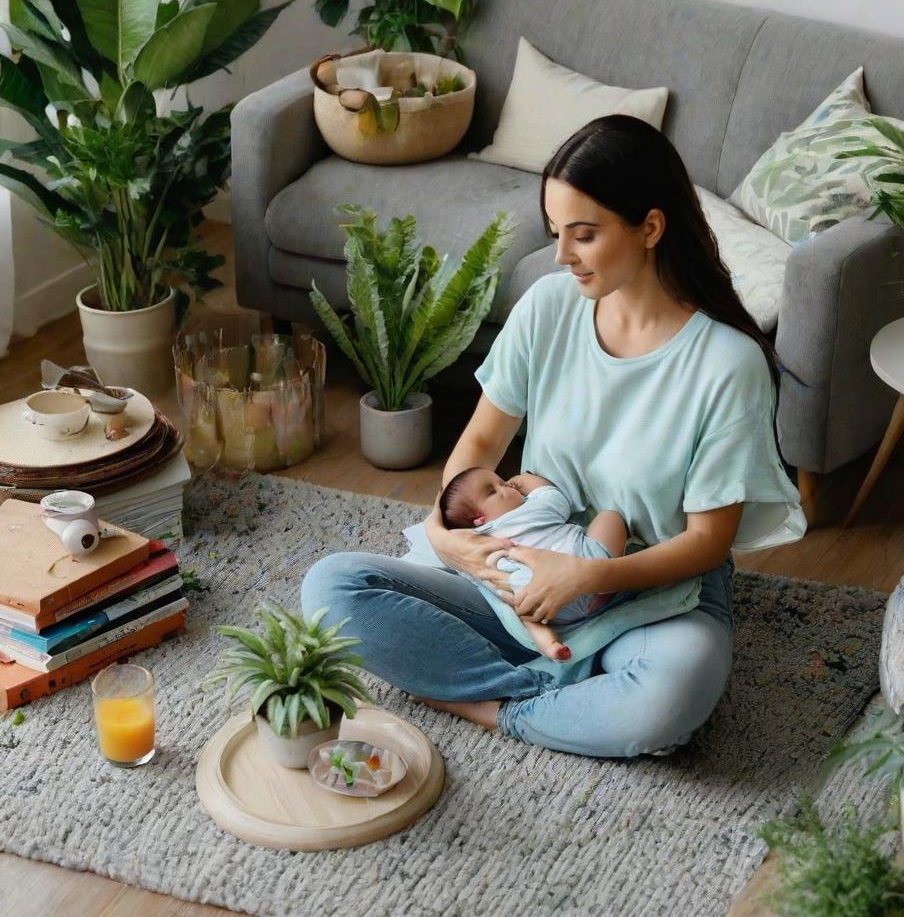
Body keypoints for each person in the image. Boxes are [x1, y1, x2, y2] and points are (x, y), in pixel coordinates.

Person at [302, 114, 805, 758]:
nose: (563, 255)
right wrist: (446, 538)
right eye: (556, 233)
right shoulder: (548, 305)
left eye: (585, 235)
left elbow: (708, 543)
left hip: (647, 592)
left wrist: (582, 577)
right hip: (515, 572)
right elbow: (480, 446)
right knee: (331, 589)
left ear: (650, 227)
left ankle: (487, 704)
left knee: (669, 697)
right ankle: (562, 695)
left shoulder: (727, 364)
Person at [438, 466, 629, 661]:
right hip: (587, 564)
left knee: (521, 611)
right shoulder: (532, 509)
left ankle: (549, 644)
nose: (507, 486)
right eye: (494, 490)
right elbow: (553, 496)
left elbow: (469, 567)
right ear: (479, 519)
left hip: (547, 606)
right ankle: (605, 591)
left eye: (503, 481)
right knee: (609, 518)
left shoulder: (476, 541)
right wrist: (524, 480)